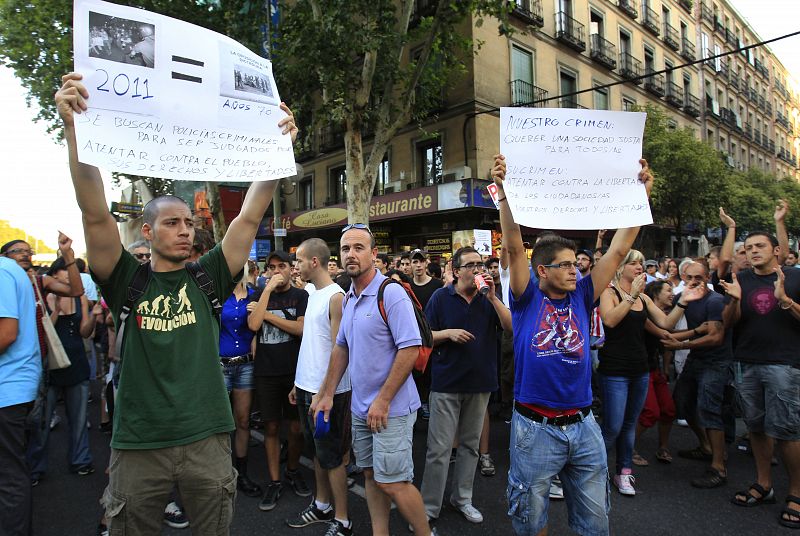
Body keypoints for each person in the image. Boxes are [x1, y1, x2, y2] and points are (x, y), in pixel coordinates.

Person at [55, 71, 297, 534]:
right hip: (138, 444)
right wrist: (74, 127)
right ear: (147, 231)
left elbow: (249, 216)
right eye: (172, 222)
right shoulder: (125, 277)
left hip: (207, 439)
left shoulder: (208, 276)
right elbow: (94, 211)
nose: (186, 229)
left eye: (189, 221)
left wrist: (276, 148)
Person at [492, 154, 653, 535]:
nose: (574, 269)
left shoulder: (583, 295)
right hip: (534, 428)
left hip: (583, 426)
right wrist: (503, 194)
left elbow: (617, 250)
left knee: (595, 523)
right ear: (542, 270)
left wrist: (641, 196)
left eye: (574, 264)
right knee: (532, 524)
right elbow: (515, 248)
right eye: (564, 264)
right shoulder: (527, 297)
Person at [312, 224, 434, 536]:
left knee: (394, 481)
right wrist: (327, 392)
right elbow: (341, 348)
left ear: (374, 254)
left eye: (358, 247)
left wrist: (382, 400)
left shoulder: (389, 293)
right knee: (371, 475)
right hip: (361, 408)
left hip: (390, 409)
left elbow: (410, 348)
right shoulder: (350, 297)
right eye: (345, 249)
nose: (350, 254)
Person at [419, 246, 511, 526]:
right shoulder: (440, 297)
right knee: (440, 449)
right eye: (471, 265)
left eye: (480, 264)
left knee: (471, 446)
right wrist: (448, 333)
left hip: (481, 382)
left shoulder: (488, 299)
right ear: (457, 271)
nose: (478, 270)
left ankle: (462, 498)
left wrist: (494, 298)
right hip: (447, 383)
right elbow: (423, 336)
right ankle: (429, 506)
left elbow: (511, 328)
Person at [598, 250, 699, 496]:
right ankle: (591, 471)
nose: (639, 267)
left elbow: (665, 323)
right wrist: (631, 296)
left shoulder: (643, 298)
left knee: (629, 424)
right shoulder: (609, 293)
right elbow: (610, 320)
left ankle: (624, 472)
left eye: (641, 263)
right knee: (612, 426)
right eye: (633, 263)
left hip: (640, 369)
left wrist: (684, 301)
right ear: (620, 268)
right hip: (615, 370)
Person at [722, 231, 800, 529]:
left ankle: (795, 493)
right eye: (748, 247)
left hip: (785, 364)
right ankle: (763, 484)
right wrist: (733, 301)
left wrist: (785, 300)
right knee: (755, 425)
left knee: (786, 430)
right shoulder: (741, 279)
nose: (753, 251)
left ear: (777, 250)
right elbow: (728, 324)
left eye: (759, 246)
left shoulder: (794, 277)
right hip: (746, 362)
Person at [287, 238, 352, 536]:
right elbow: (311, 344)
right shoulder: (311, 291)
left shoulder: (336, 297)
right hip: (306, 386)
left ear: (314, 261)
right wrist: (298, 384)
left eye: (299, 260)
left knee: (333, 457)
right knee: (316, 452)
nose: (295, 266)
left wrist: (325, 392)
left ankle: (342, 521)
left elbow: (341, 349)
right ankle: (321, 504)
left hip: (329, 394)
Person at [661, 261, 733, 489]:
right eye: (690, 277)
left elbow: (715, 337)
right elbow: (665, 321)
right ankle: (706, 446)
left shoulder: (715, 301)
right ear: (683, 276)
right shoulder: (682, 297)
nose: (694, 281)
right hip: (696, 358)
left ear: (707, 277)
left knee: (709, 410)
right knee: (682, 402)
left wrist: (680, 345)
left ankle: (719, 467)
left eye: (699, 277)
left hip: (715, 361)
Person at [248, 250, 310, 510]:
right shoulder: (260, 296)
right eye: (271, 267)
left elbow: (300, 328)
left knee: (296, 429)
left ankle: (293, 469)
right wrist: (265, 292)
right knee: (271, 428)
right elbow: (253, 325)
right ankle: (274, 481)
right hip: (266, 372)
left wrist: (269, 316)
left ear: (290, 268)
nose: (276, 271)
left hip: (295, 372)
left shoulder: (300, 296)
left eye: (281, 266)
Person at [27, 256, 97, 484]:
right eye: (66, 273)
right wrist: (55, 310)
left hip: (76, 361)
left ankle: (81, 460)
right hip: (50, 364)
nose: (69, 276)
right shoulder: (41, 297)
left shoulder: (81, 298)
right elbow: (45, 329)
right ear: (54, 275)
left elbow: (85, 333)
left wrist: (93, 318)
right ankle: (35, 467)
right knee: (41, 421)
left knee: (79, 418)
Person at [0, 255, 41, 536]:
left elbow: (7, 333)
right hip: (13, 387)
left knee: (8, 476)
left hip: (7, 388)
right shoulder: (9, 270)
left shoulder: (2, 272)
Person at [220, 262, 261, 498]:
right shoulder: (217, 295)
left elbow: (258, 327)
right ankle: (222, 473)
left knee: (243, 421)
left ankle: (242, 474)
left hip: (246, 365)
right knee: (222, 424)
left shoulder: (254, 296)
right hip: (221, 365)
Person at [633, 279, 676, 466]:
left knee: (668, 410)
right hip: (642, 369)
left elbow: (666, 346)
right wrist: (699, 331)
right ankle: (629, 447)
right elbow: (665, 335)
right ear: (656, 294)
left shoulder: (663, 314)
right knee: (651, 412)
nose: (672, 293)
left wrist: (666, 369)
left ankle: (663, 446)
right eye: (668, 290)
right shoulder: (645, 315)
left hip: (656, 369)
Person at [408, 249, 443, 421]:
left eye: (421, 261)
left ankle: (429, 403)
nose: (418, 265)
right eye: (415, 262)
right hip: (413, 338)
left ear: (426, 263)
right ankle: (418, 404)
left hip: (433, 337)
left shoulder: (437, 285)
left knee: (431, 373)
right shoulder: (407, 286)